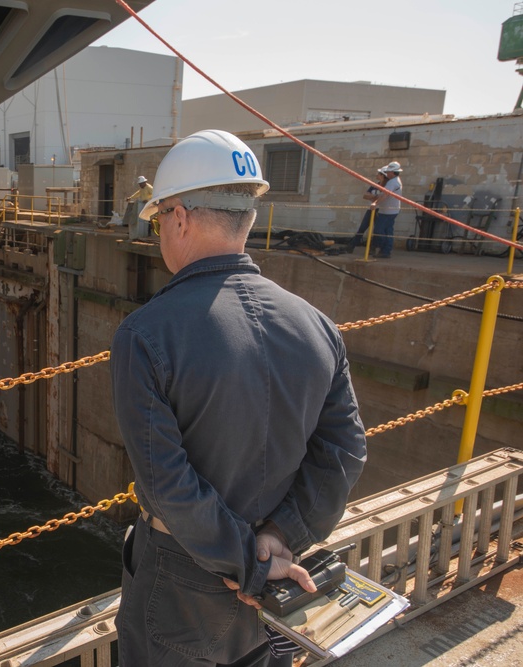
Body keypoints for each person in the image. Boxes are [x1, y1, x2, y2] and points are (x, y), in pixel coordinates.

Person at [111, 129, 367, 667]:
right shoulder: (316, 326)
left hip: (183, 587)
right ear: (248, 217)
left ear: (179, 217)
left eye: (159, 219)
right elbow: (343, 451)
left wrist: (246, 560)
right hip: (281, 573)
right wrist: (279, 537)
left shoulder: (146, 334)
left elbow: (166, 484)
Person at [346, 168, 387, 253]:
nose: (376, 175)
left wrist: (372, 196)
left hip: (380, 210)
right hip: (371, 209)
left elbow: (382, 197)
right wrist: (374, 197)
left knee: (377, 230)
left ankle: (373, 248)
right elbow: (365, 195)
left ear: (382, 175)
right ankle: (351, 246)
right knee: (362, 228)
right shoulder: (375, 185)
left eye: (378, 174)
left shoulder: (386, 186)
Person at [370, 161, 403, 258]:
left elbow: (385, 195)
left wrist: (375, 203)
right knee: (388, 231)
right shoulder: (396, 181)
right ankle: (386, 251)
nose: (387, 173)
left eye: (388, 172)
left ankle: (382, 249)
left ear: (392, 172)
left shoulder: (392, 182)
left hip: (387, 211)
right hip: (392, 210)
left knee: (379, 230)